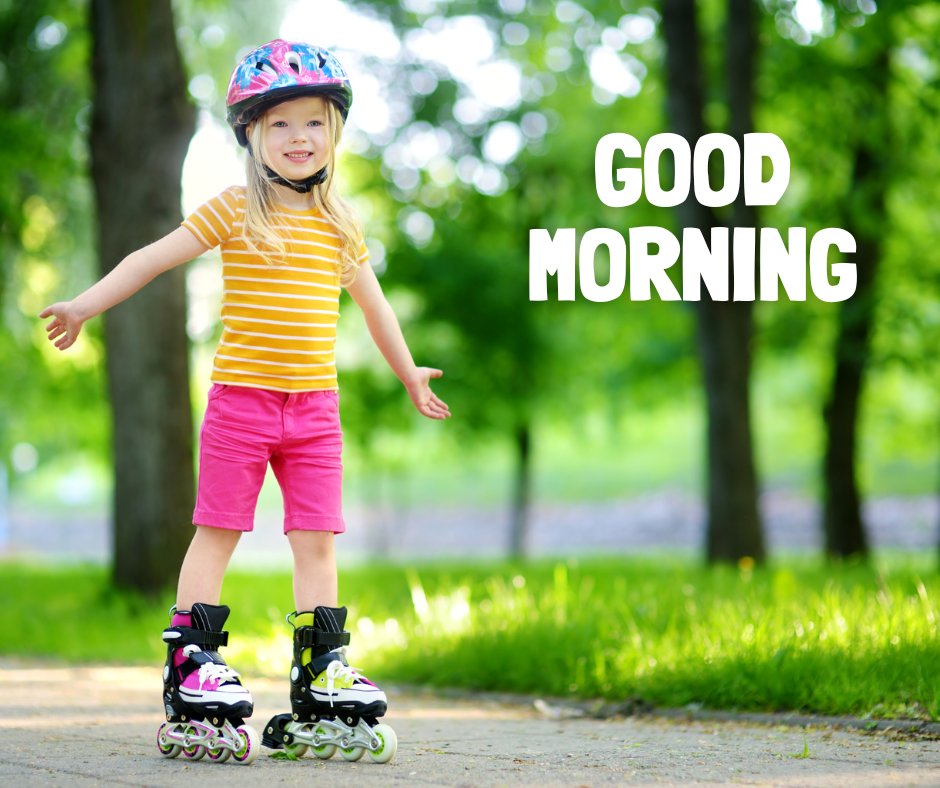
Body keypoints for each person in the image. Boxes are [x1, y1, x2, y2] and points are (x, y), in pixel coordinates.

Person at [40, 39, 448, 764]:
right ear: (252, 135)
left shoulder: (341, 223)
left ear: (335, 133)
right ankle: (193, 661)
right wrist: (85, 305)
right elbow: (150, 258)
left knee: (317, 539)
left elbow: (375, 306)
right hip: (241, 405)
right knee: (219, 528)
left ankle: (321, 668)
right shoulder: (233, 210)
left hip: (315, 411)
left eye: (314, 123)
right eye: (280, 124)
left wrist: (409, 371)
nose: (299, 138)